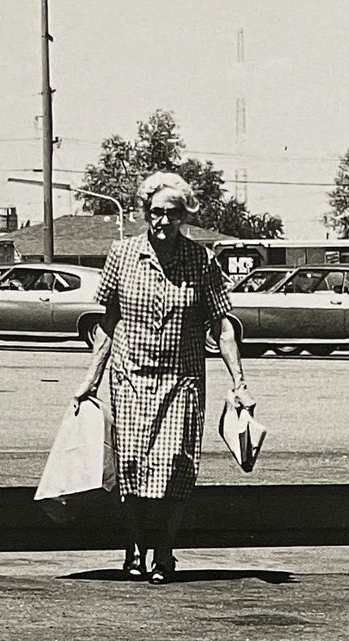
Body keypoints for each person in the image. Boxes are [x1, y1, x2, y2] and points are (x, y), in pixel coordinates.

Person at [73, 172, 254, 584]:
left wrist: (239, 383)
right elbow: (107, 324)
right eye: (155, 213)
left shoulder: (200, 260)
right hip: (130, 378)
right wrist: (91, 379)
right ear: (144, 214)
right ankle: (135, 549)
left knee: (175, 466)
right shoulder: (121, 254)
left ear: (184, 216)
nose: (162, 221)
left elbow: (222, 325)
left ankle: (165, 552)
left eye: (172, 214)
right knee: (133, 467)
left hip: (182, 380)